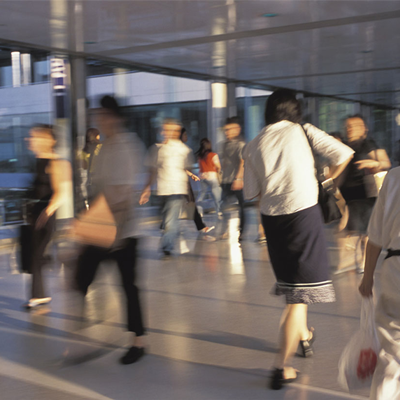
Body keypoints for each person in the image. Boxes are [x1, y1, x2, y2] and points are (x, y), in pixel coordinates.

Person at [243, 89, 354, 390]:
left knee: (294, 287)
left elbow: (253, 193)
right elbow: (344, 154)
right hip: (302, 215)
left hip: (272, 219)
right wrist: (328, 180)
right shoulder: (302, 130)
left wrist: (264, 228)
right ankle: (282, 367)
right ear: (294, 111)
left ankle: (304, 336)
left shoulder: (252, 145)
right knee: (298, 297)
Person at [72, 95, 146, 364]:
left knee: (128, 286)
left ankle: (138, 341)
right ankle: (80, 336)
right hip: (101, 228)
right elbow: (99, 189)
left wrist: (85, 224)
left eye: (102, 115)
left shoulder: (126, 146)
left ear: (116, 117)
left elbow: (120, 195)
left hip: (122, 233)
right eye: (96, 115)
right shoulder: (103, 148)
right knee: (81, 279)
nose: (98, 120)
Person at [359, 168, 400, 399]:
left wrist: (367, 278)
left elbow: (374, 237)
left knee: (392, 350)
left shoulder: (393, 177)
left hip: (395, 269)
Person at [21, 124, 71, 309]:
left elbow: (63, 192)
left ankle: (37, 296)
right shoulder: (37, 162)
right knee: (33, 255)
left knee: (35, 255)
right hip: (34, 215)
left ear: (50, 140)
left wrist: (47, 212)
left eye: (35, 137)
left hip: (45, 216)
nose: (31, 140)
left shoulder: (58, 163)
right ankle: (40, 294)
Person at [340, 115, 391, 271]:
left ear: (364, 129)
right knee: (352, 230)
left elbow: (386, 163)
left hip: (366, 195)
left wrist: (373, 163)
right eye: (348, 126)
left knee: (365, 231)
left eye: (355, 125)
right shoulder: (344, 145)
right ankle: (354, 261)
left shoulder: (368, 144)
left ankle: (363, 262)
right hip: (349, 196)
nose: (350, 129)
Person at [140, 119, 197, 257]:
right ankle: (168, 239)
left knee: (171, 220)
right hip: (162, 189)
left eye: (173, 130)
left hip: (177, 189)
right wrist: (147, 189)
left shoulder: (184, 150)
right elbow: (152, 170)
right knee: (165, 219)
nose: (169, 133)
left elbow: (187, 169)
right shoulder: (156, 149)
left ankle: (167, 246)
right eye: (166, 129)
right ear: (162, 131)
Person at [180, 129, 215, 238]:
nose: (187, 136)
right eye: (185, 134)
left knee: (189, 203)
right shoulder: (181, 149)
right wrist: (191, 175)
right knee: (188, 203)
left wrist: (191, 175)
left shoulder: (183, 149)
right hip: (180, 182)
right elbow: (181, 167)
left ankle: (201, 227)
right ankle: (201, 227)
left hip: (183, 180)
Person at [220, 116, 246, 241]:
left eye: (229, 129)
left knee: (242, 207)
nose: (226, 132)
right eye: (225, 130)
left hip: (238, 181)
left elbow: (242, 162)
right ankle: (225, 229)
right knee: (222, 205)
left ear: (237, 129)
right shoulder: (225, 145)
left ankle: (241, 232)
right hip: (226, 180)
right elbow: (225, 162)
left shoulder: (241, 145)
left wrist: (238, 179)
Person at [196, 138, 222, 221]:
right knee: (216, 195)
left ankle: (199, 212)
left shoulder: (200, 156)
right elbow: (218, 167)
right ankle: (218, 212)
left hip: (202, 177)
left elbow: (200, 166)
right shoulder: (213, 155)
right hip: (212, 176)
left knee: (202, 194)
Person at [79, 128, 102, 207]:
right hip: (100, 176)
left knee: (92, 199)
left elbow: (84, 166)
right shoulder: (101, 146)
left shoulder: (84, 150)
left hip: (90, 177)